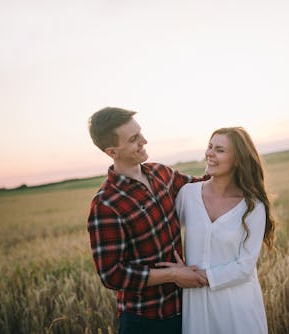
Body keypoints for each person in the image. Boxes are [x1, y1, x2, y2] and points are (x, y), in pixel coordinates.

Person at [86, 107, 207, 334]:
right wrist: (172, 275)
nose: (144, 141)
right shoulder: (106, 204)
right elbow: (112, 274)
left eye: (140, 133)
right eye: (134, 139)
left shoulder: (161, 173)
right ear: (112, 151)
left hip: (188, 309)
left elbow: (205, 187)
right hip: (146, 320)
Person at [158, 126, 276, 334]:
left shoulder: (253, 206)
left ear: (238, 159)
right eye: (210, 146)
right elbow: (165, 234)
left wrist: (201, 276)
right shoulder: (187, 195)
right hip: (196, 304)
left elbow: (245, 266)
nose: (209, 153)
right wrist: (176, 272)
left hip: (237, 304)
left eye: (219, 150)